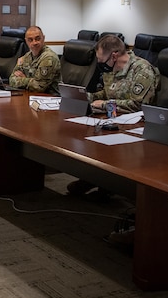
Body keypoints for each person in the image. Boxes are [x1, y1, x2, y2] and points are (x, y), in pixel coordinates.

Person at [68, 34, 160, 197]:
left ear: (114, 55)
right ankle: (93, 178)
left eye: (101, 60)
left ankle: (107, 185)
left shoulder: (142, 70)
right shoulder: (112, 68)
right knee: (86, 138)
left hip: (136, 124)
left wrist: (104, 104)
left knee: (104, 144)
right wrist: (86, 97)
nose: (100, 64)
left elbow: (139, 105)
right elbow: (107, 93)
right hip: (113, 118)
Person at [8, 26, 61, 95]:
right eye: (30, 40)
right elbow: (11, 79)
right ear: (26, 41)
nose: (34, 43)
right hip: (31, 95)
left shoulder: (48, 57)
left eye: (38, 39)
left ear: (43, 38)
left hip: (50, 99)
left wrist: (24, 79)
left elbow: (39, 87)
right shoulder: (26, 57)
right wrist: (31, 81)